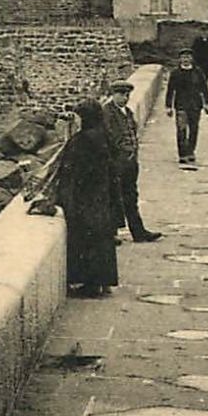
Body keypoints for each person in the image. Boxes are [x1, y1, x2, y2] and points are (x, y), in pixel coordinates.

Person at [58, 100, 121, 297]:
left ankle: (91, 284)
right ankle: (103, 282)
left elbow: (71, 168)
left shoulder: (83, 140)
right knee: (102, 238)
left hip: (86, 196)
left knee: (87, 237)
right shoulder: (104, 135)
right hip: (102, 195)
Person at [101, 81, 163, 242]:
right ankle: (110, 233)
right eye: (121, 94)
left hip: (130, 162)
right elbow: (110, 138)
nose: (125, 98)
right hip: (116, 162)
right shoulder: (107, 113)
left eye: (127, 95)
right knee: (113, 196)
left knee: (131, 196)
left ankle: (138, 232)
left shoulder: (127, 112)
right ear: (113, 94)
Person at [165, 49, 208, 164]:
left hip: (195, 105)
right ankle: (182, 154)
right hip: (181, 106)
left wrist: (207, 103)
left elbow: (204, 88)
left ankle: (191, 152)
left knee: (194, 130)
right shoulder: (175, 73)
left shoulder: (198, 72)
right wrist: (168, 106)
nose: (186, 59)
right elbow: (170, 90)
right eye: (183, 57)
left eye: (188, 57)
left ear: (192, 59)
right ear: (180, 59)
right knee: (181, 130)